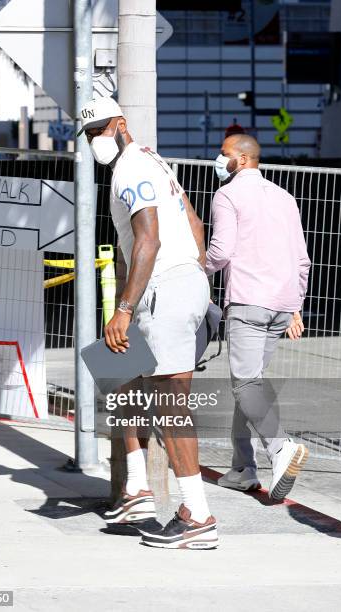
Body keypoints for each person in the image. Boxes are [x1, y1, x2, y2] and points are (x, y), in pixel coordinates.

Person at [78, 97, 218, 550]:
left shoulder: (130, 169)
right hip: (175, 287)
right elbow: (194, 222)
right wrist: (195, 275)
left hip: (165, 289)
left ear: (120, 124)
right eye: (88, 134)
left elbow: (148, 239)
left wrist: (124, 307)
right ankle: (137, 489)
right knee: (119, 376)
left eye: (99, 129)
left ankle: (197, 515)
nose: (94, 140)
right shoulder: (153, 162)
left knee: (170, 405)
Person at [206, 134, 311, 501]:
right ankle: (241, 469)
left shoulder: (228, 195)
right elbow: (302, 259)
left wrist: (195, 270)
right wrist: (295, 304)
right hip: (281, 305)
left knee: (245, 384)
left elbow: (220, 250)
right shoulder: (284, 197)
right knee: (248, 384)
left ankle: (280, 449)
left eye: (224, 154)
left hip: (249, 301)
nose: (219, 159)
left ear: (244, 159)